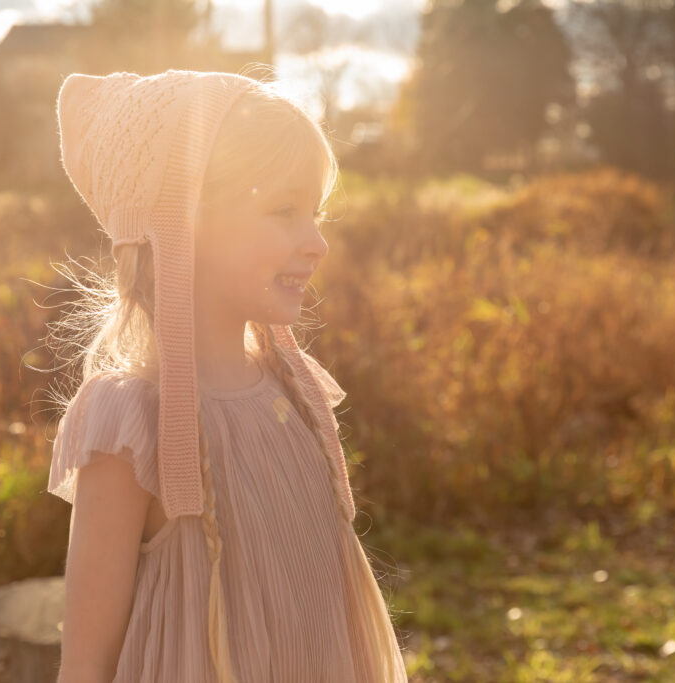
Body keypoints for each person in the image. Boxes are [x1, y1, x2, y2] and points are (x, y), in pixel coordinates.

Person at [47, 68, 409, 683]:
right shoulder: (133, 420)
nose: (317, 241)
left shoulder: (291, 389)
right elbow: (86, 662)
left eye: (316, 213)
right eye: (285, 211)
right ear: (183, 226)